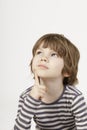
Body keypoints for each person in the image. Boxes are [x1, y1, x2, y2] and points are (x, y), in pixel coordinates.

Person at [13, 33, 87, 130]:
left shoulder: (74, 98)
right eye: (39, 53)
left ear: (66, 70)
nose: (43, 58)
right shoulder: (26, 97)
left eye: (53, 54)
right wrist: (31, 100)